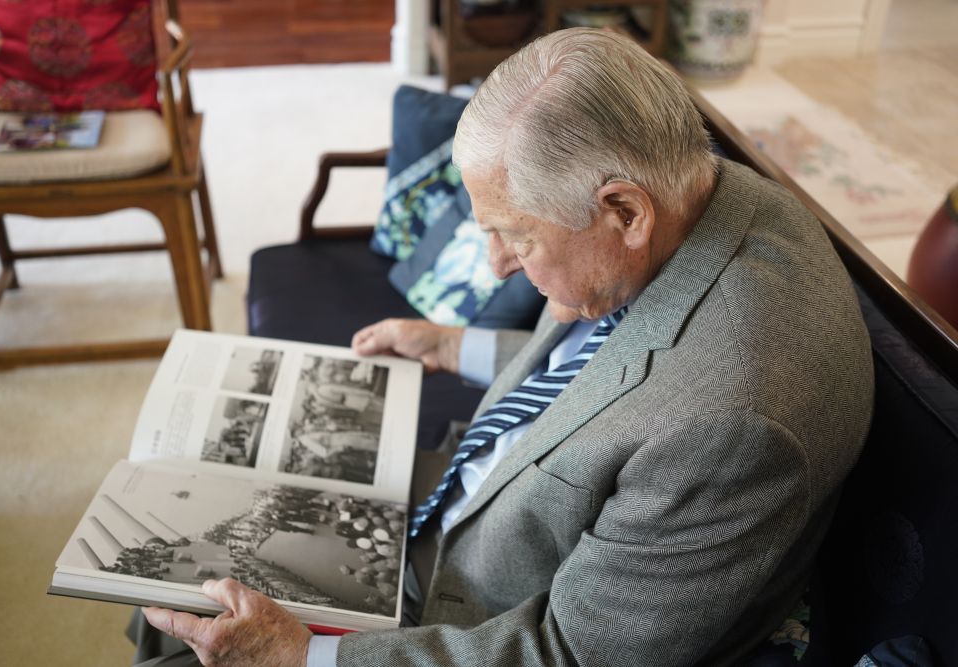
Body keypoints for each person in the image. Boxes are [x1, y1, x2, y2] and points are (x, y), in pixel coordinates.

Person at [136, 27, 874, 666]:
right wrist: (456, 345)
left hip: (473, 619)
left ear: (625, 211)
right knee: (181, 549)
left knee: (184, 616)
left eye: (516, 236)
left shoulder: (729, 428)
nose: (495, 267)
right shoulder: (701, 190)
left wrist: (303, 656)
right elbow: (612, 372)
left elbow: (574, 653)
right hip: (465, 498)